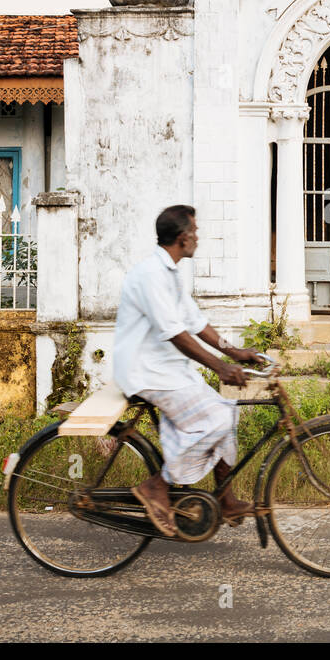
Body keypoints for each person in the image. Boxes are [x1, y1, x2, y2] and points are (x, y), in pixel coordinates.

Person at [112, 204, 262, 536]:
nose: (198, 237)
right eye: (195, 231)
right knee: (218, 418)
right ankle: (158, 485)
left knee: (227, 413)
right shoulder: (151, 275)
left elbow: (197, 324)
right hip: (146, 372)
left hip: (166, 369)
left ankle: (224, 498)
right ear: (183, 238)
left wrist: (236, 352)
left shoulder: (170, 273)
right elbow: (176, 334)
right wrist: (221, 367)